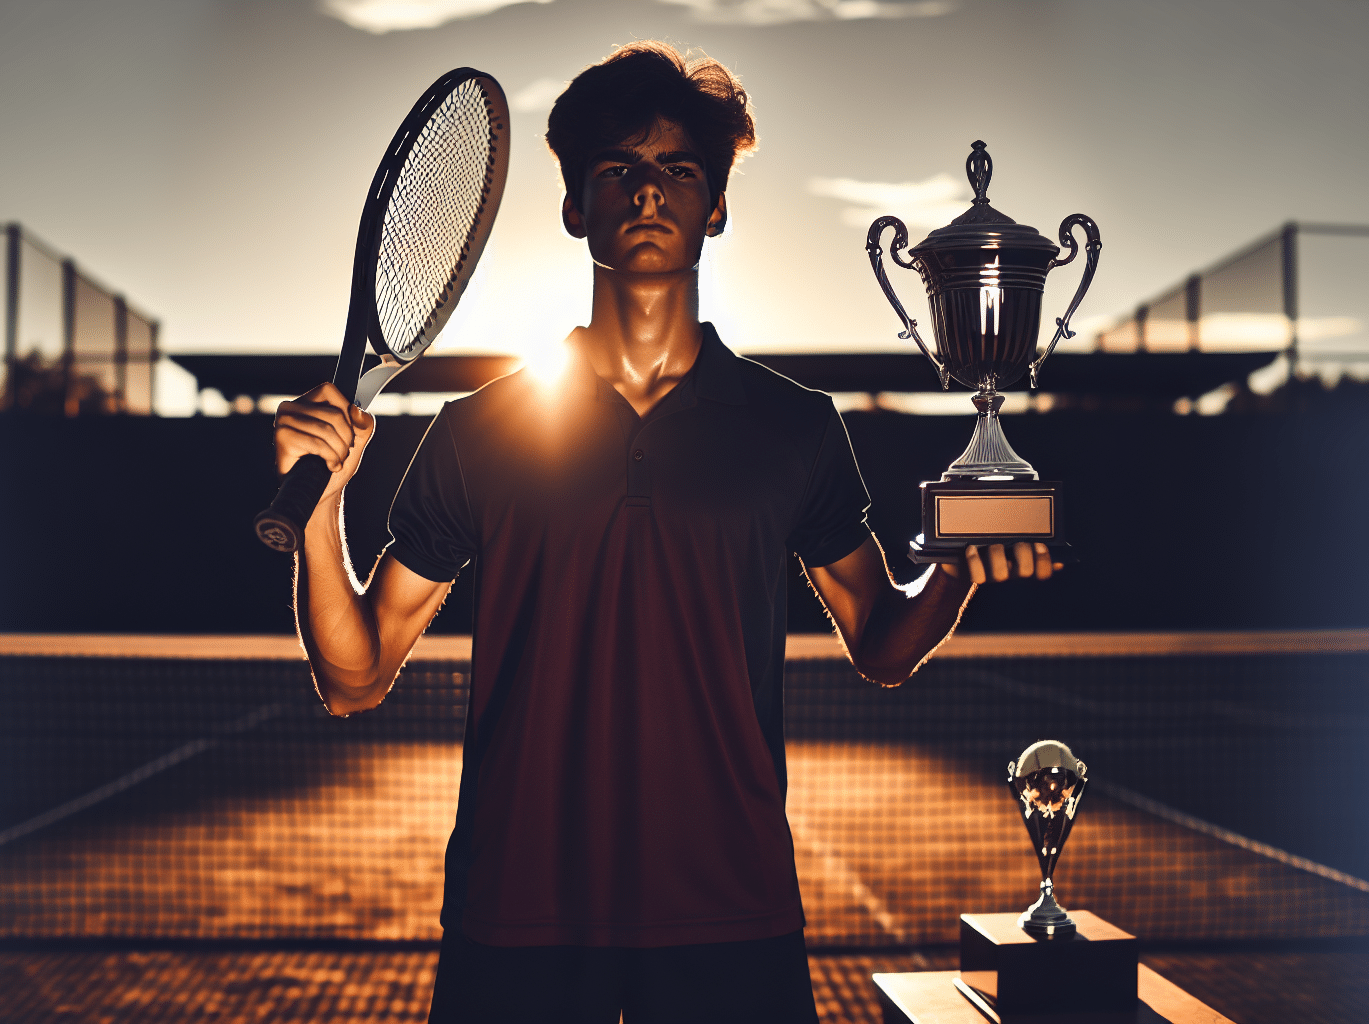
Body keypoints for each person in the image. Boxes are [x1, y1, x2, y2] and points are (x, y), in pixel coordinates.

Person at [272, 42, 1057, 1024]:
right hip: (516, 916)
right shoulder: (478, 429)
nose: (648, 192)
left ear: (716, 207)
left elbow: (883, 646)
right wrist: (323, 512)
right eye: (616, 170)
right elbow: (354, 677)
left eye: (679, 170)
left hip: (730, 915)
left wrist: (955, 573)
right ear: (573, 208)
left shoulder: (796, 426)